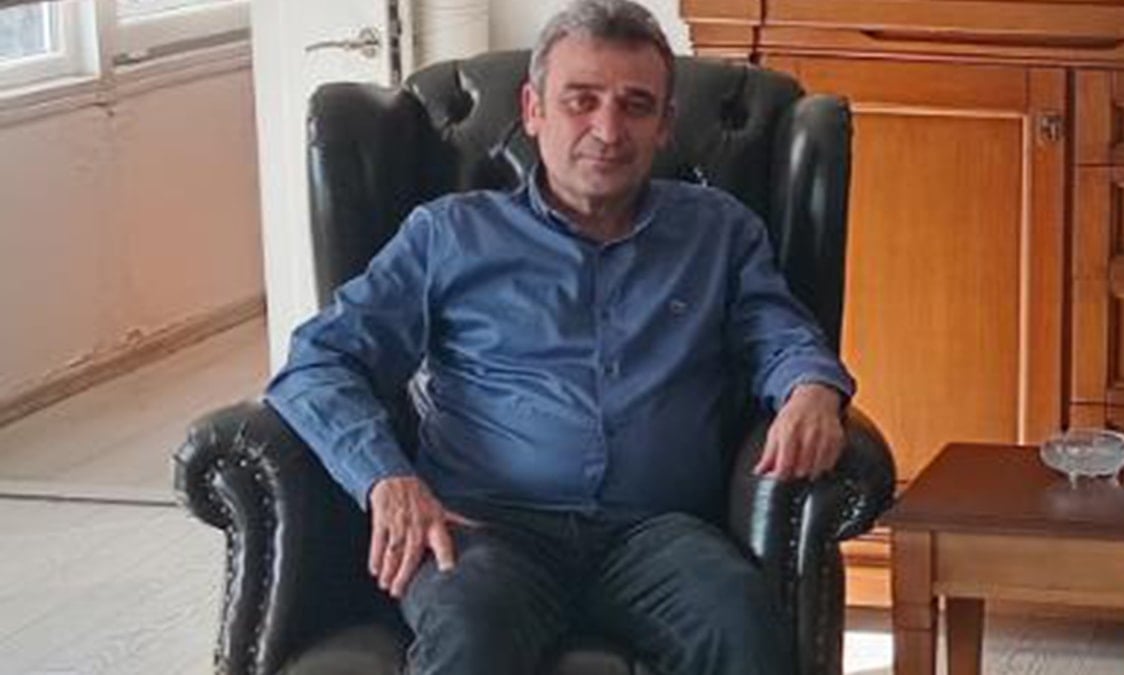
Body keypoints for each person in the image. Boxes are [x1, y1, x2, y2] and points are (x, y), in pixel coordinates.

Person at [265, 1, 855, 673]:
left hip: (655, 532)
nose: (608, 129)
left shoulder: (718, 232)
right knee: (468, 632)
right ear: (533, 109)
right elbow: (319, 360)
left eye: (636, 106)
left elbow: (780, 333)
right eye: (581, 100)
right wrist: (384, 476)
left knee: (741, 622)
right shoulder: (450, 234)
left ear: (665, 124)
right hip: (486, 529)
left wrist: (812, 388)